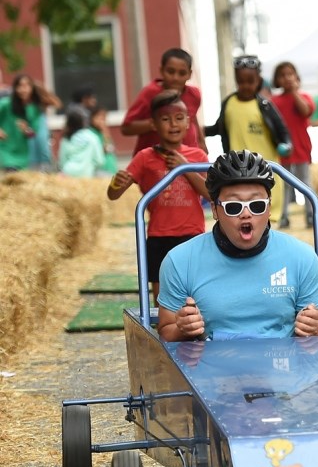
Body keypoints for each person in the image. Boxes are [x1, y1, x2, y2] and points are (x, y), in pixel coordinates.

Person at [156, 149, 318, 342]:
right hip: (210, 366)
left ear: (269, 207)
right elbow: (166, 329)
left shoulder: (301, 257)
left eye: (256, 205)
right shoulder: (179, 261)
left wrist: (313, 326)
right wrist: (183, 328)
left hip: (283, 365)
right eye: (233, 206)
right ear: (214, 210)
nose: (246, 214)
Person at [107, 90, 210, 305]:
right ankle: (163, 335)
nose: (173, 124)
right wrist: (117, 182)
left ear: (188, 122)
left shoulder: (198, 157)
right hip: (158, 236)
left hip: (192, 234)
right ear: (153, 124)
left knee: (195, 295)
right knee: (162, 299)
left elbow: (210, 193)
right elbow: (113, 194)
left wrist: (185, 168)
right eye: (165, 119)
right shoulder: (145, 157)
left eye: (179, 118)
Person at [205, 55, 291, 225]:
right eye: (241, 81)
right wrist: (199, 130)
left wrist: (285, 144)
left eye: (250, 81)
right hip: (237, 170)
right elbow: (218, 127)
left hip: (265, 168)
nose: (245, 86)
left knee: (265, 212)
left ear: (258, 79)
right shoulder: (228, 103)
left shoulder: (265, 105)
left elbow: (282, 131)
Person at [122, 47, 207, 155]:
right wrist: (157, 122)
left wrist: (201, 143)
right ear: (161, 70)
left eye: (182, 73)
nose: (175, 78)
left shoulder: (194, 94)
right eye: (170, 71)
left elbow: (193, 118)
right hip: (154, 161)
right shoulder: (150, 93)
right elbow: (126, 128)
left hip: (187, 161)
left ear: (190, 74)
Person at [271, 61, 315, 229]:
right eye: (282, 75)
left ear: (296, 77)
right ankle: (283, 216)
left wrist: (294, 92)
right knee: (284, 185)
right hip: (283, 150)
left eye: (290, 74)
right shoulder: (274, 102)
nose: (287, 78)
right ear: (277, 80)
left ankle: (310, 215)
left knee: (305, 182)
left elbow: (305, 111)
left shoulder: (304, 97)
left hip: (301, 147)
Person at [0, 74, 42, 171]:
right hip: (5, 149)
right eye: (20, 86)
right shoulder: (5, 104)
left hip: (22, 154)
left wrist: (26, 129)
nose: (24, 89)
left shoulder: (34, 109)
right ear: (15, 88)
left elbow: (32, 134)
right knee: (11, 176)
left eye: (27, 86)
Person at [58, 109, 105, 178]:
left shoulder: (66, 138)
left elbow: (62, 162)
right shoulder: (92, 137)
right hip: (86, 174)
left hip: (68, 173)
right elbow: (100, 161)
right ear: (83, 122)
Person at [29, 82, 61, 171]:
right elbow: (42, 142)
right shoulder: (38, 117)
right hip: (38, 163)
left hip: (28, 161)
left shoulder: (34, 115)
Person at [88, 106, 119, 176]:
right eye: (98, 118)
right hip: (100, 170)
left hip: (110, 168)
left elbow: (111, 148)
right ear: (91, 119)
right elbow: (103, 149)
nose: (101, 121)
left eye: (104, 118)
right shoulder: (90, 133)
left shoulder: (103, 133)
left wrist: (105, 132)